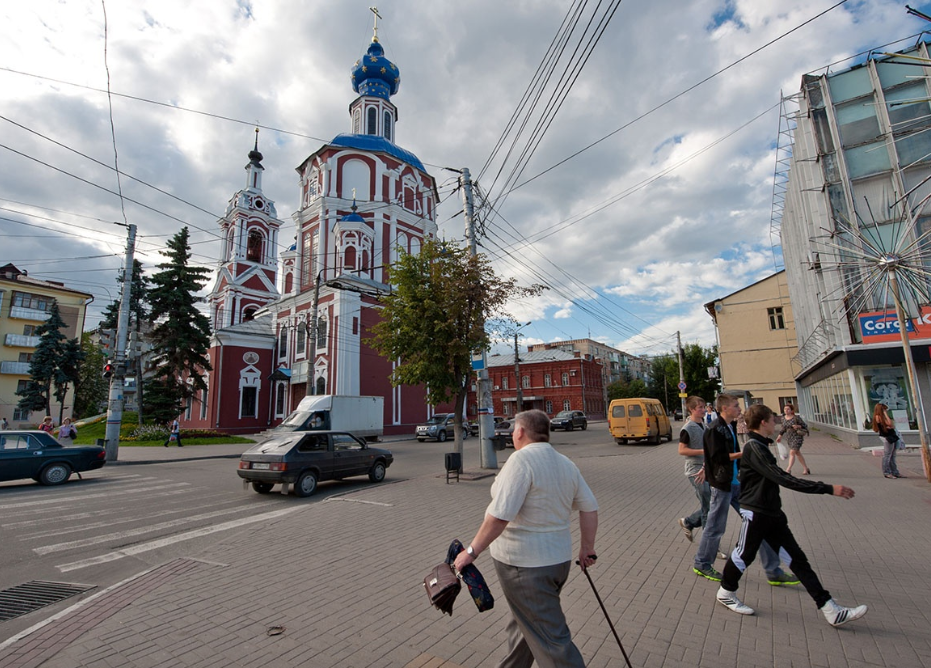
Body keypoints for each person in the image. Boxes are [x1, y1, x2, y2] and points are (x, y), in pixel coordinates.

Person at [453, 409, 598, 668]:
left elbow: (499, 517)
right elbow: (589, 507)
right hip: (557, 563)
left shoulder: (520, 461)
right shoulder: (565, 463)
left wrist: (471, 552)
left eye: (513, 430)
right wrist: (587, 549)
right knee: (525, 627)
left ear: (520, 431)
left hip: (525, 566)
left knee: (554, 644)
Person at [715, 404, 868, 627]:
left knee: (797, 560)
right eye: (772, 418)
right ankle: (726, 592)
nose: (776, 421)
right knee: (743, 555)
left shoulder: (760, 445)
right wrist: (827, 488)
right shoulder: (754, 449)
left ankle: (829, 609)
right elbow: (784, 479)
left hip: (771, 514)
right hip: (757, 513)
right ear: (763, 423)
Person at [692, 394, 798, 586]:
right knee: (715, 527)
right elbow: (716, 458)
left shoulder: (730, 426)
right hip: (722, 486)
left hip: (737, 484)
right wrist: (744, 453)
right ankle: (702, 563)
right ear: (724, 409)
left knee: (759, 522)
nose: (739, 409)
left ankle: (773, 570)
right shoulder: (714, 429)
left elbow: (724, 457)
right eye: (735, 406)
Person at [677, 396, 709, 543]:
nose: (703, 410)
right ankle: (710, 544)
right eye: (700, 408)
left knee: (710, 504)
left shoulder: (705, 424)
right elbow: (682, 450)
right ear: (691, 409)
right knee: (708, 502)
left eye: (704, 407)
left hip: (707, 469)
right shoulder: (688, 428)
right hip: (695, 471)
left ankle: (689, 522)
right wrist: (703, 451)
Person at [872, 403, 904, 479]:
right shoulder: (878, 417)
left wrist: (889, 424)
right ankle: (887, 472)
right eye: (885, 409)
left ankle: (895, 471)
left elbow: (892, 425)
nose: (886, 411)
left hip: (892, 436)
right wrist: (885, 414)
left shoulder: (882, 417)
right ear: (881, 410)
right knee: (887, 455)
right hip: (887, 437)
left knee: (893, 455)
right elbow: (889, 423)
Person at [776, 404, 810, 475]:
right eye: (785, 409)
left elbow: (805, 426)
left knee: (792, 452)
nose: (786, 411)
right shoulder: (783, 418)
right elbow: (783, 428)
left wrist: (798, 426)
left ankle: (788, 469)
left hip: (797, 437)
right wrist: (779, 436)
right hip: (789, 437)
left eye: (788, 409)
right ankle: (805, 468)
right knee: (797, 453)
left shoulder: (796, 418)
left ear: (792, 410)